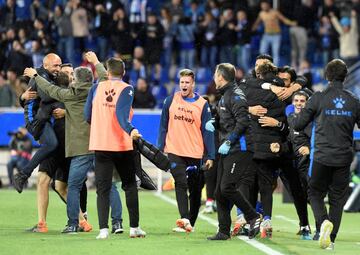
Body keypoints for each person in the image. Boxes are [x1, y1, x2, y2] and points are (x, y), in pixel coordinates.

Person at [293, 59, 360, 250]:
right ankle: (331, 238)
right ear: (345, 77)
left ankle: (323, 223)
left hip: (321, 156)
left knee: (314, 192)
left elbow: (298, 125)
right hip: (344, 157)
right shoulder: (354, 100)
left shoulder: (318, 97)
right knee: (337, 198)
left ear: (326, 76)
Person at [85, 55, 146, 239]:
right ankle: (134, 228)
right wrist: (131, 129)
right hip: (121, 145)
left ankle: (103, 229)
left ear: (108, 71)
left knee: (102, 188)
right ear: (124, 72)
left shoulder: (95, 88)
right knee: (129, 185)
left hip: (100, 144)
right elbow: (121, 116)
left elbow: (87, 115)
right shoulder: (127, 89)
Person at [206, 63, 261, 241]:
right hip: (229, 147)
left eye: (215, 74)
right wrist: (215, 123)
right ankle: (223, 231)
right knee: (219, 193)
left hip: (240, 148)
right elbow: (227, 120)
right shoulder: (225, 95)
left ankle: (253, 217)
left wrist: (229, 141)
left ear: (221, 77)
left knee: (227, 187)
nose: (214, 77)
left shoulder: (236, 96)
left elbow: (243, 122)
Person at [157, 69, 215, 233]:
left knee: (195, 190)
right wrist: (160, 147)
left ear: (193, 84)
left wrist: (210, 155)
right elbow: (163, 125)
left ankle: (191, 222)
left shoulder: (202, 105)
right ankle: (184, 218)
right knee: (180, 183)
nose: (184, 85)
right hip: (175, 150)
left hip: (195, 153)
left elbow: (208, 131)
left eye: (187, 82)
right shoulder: (170, 100)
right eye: (181, 82)